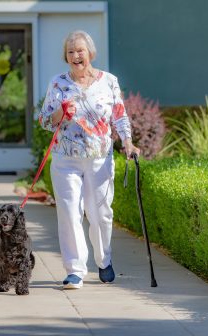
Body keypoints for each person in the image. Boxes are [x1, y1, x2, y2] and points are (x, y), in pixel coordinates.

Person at [39, 30, 140, 289]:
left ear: (90, 53)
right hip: (66, 159)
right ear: (66, 57)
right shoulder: (58, 83)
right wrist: (59, 112)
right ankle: (75, 270)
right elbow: (44, 121)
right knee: (70, 213)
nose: (75, 56)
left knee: (101, 215)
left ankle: (104, 261)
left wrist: (127, 141)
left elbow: (119, 116)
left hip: (100, 158)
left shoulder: (109, 81)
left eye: (80, 50)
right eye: (70, 52)